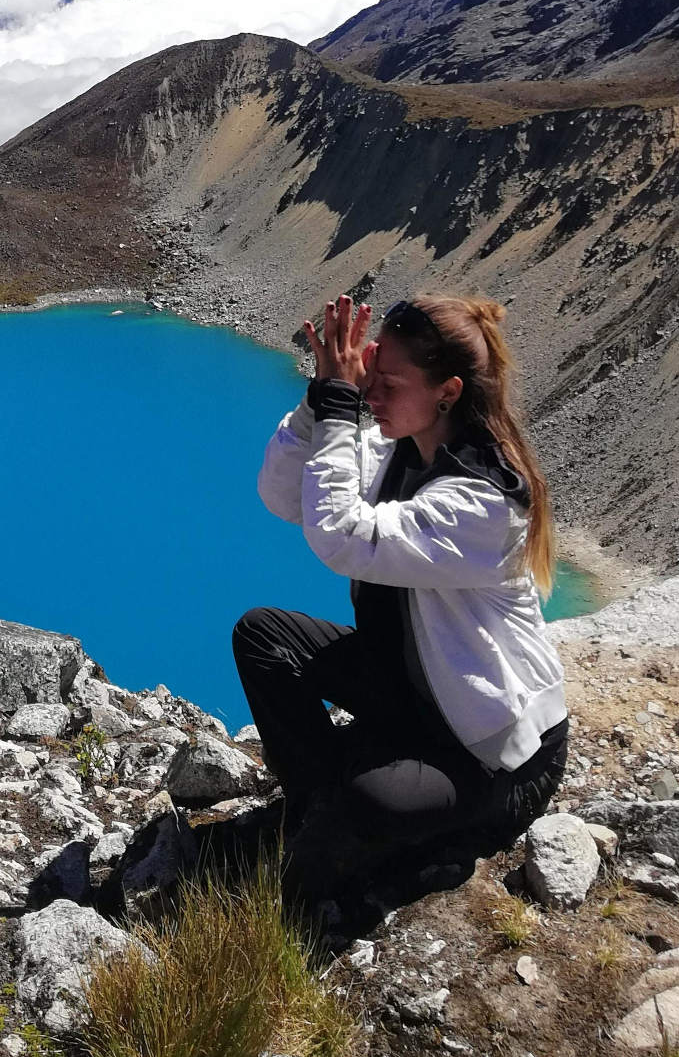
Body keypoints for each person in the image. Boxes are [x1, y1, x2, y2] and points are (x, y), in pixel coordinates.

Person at [235, 293, 569, 906]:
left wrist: (341, 407)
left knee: (364, 805)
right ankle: (313, 807)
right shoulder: (398, 451)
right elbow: (283, 496)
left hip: (490, 753)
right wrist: (320, 402)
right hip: (413, 696)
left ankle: (384, 838)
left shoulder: (483, 500)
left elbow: (343, 536)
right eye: (369, 376)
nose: (372, 395)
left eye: (388, 381)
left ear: (448, 391)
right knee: (263, 636)